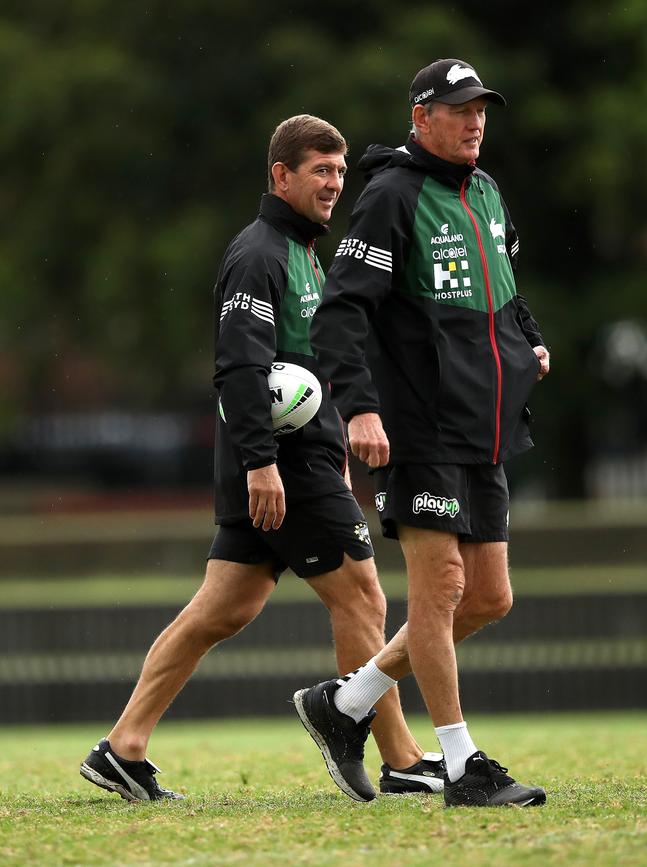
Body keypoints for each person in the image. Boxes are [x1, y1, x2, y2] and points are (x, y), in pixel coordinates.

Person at [79, 114, 444, 804]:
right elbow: (240, 369)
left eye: (340, 171)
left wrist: (328, 450)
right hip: (278, 463)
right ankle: (399, 757)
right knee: (363, 594)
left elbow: (309, 370)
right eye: (321, 170)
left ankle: (121, 747)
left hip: (296, 460)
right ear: (281, 175)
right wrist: (261, 463)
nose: (335, 183)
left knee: (223, 607)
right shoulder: (259, 254)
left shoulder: (306, 253)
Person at [293, 61, 550, 807]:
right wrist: (361, 408)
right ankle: (462, 763)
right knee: (439, 590)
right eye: (458, 109)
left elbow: (507, 290)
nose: (474, 122)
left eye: (481, 110)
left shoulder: (489, 192)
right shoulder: (390, 198)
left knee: (490, 597)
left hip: (486, 426)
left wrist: (528, 341)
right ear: (421, 116)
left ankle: (344, 702)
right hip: (419, 426)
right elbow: (339, 313)